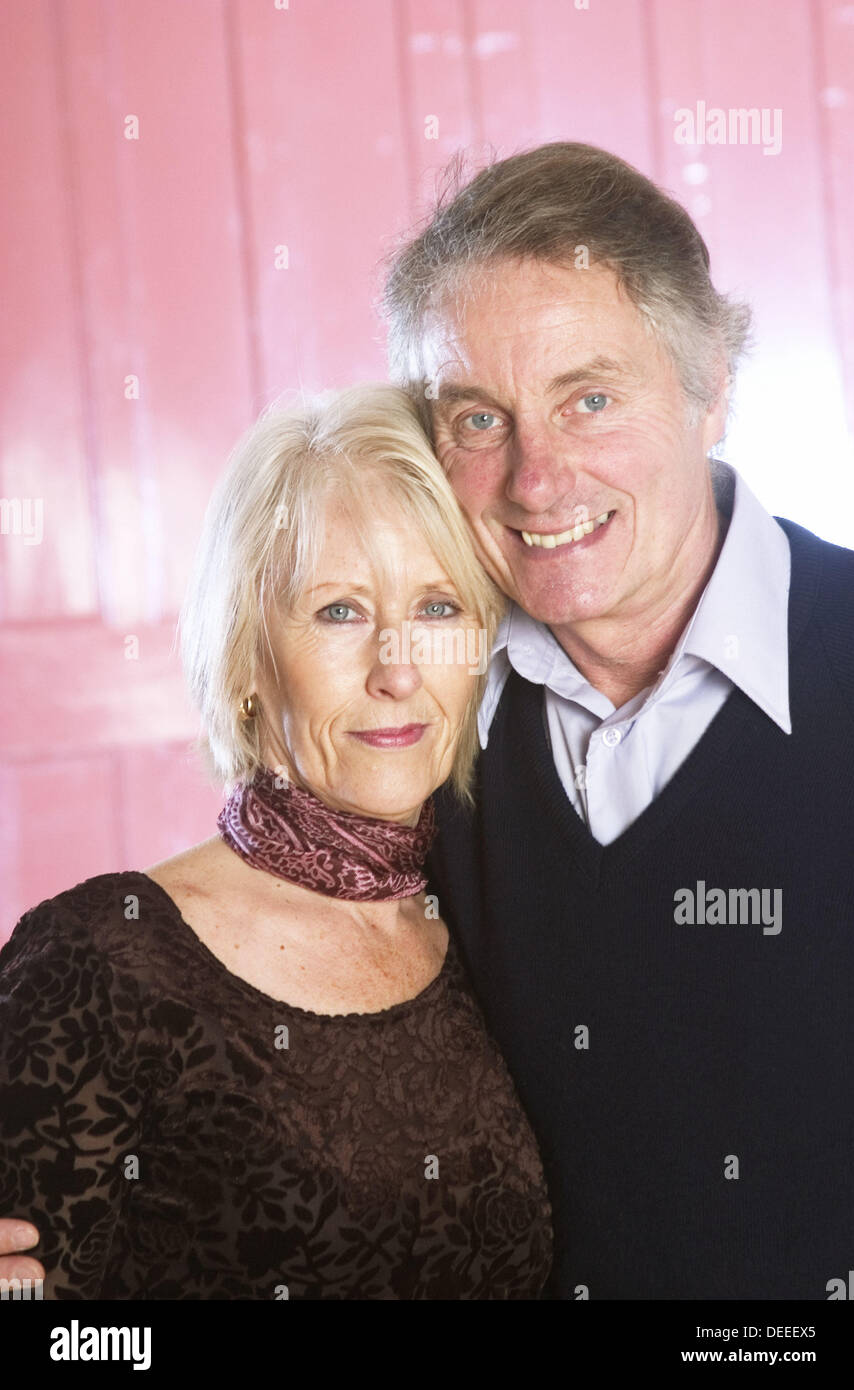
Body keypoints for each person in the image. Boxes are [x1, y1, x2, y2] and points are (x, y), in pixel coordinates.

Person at [381, 142, 854, 1299]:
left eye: (588, 399)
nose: (537, 480)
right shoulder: (410, 712)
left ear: (710, 388)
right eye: (478, 419)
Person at [0, 383, 553, 1299]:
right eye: (340, 611)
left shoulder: (492, 909)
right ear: (249, 655)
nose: (397, 669)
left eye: (439, 608)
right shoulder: (101, 958)